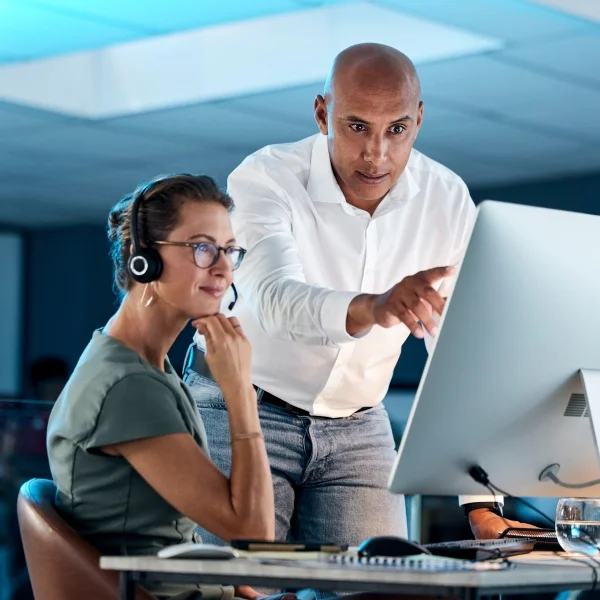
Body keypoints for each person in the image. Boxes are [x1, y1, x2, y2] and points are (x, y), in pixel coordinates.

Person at [184, 43, 531, 547]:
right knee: (234, 583)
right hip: (239, 403)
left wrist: (479, 498)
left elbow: (458, 350)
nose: (377, 154)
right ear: (323, 113)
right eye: (357, 126)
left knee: (384, 582)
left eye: (396, 130)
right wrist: (375, 305)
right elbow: (275, 299)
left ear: (418, 120)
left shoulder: (446, 198)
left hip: (357, 424)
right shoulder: (266, 177)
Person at [46, 174, 278, 600]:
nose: (224, 268)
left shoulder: (142, 367)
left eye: (229, 250)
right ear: (143, 260)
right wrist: (240, 391)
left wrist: (224, 578)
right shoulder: (129, 386)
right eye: (203, 248)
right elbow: (253, 533)